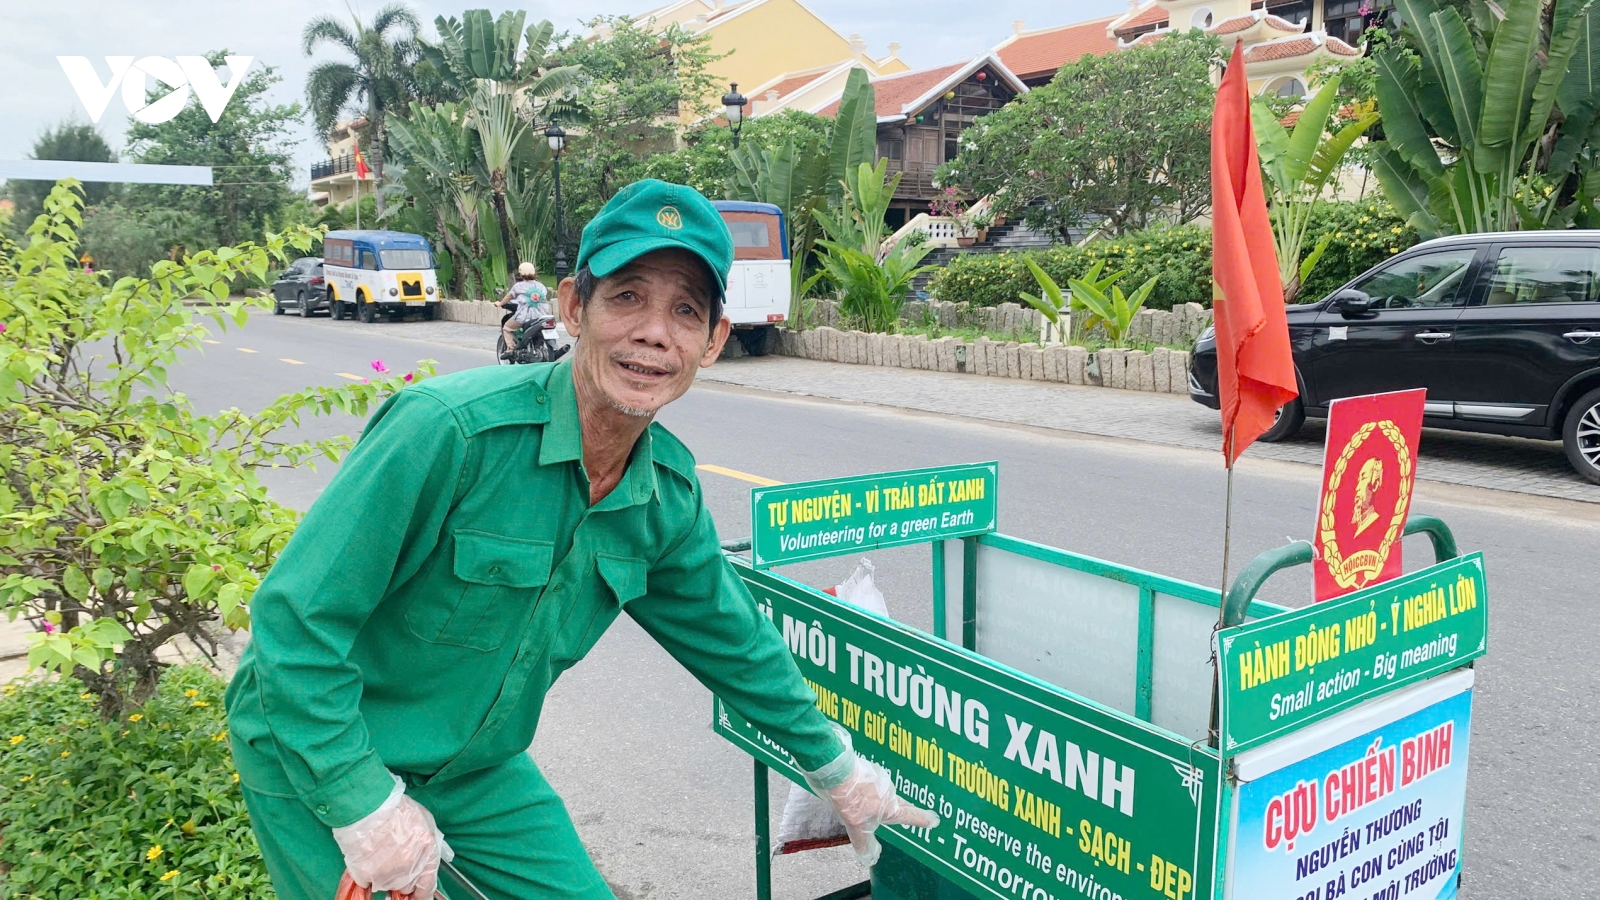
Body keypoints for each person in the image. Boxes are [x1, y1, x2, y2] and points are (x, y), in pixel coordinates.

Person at [224, 180, 937, 900]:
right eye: (627, 297)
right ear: (573, 309)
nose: (656, 333)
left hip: (474, 767)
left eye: (686, 311)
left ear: (714, 341)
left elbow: (739, 648)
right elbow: (294, 626)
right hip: (321, 746)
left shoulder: (666, 497)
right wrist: (363, 805)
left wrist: (838, 772)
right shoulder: (448, 432)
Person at [499, 261, 552, 359]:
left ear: (521, 274)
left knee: (507, 328)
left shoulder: (519, 286)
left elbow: (509, 296)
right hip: (542, 316)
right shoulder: (541, 286)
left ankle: (510, 349)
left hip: (524, 317)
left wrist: (500, 303)